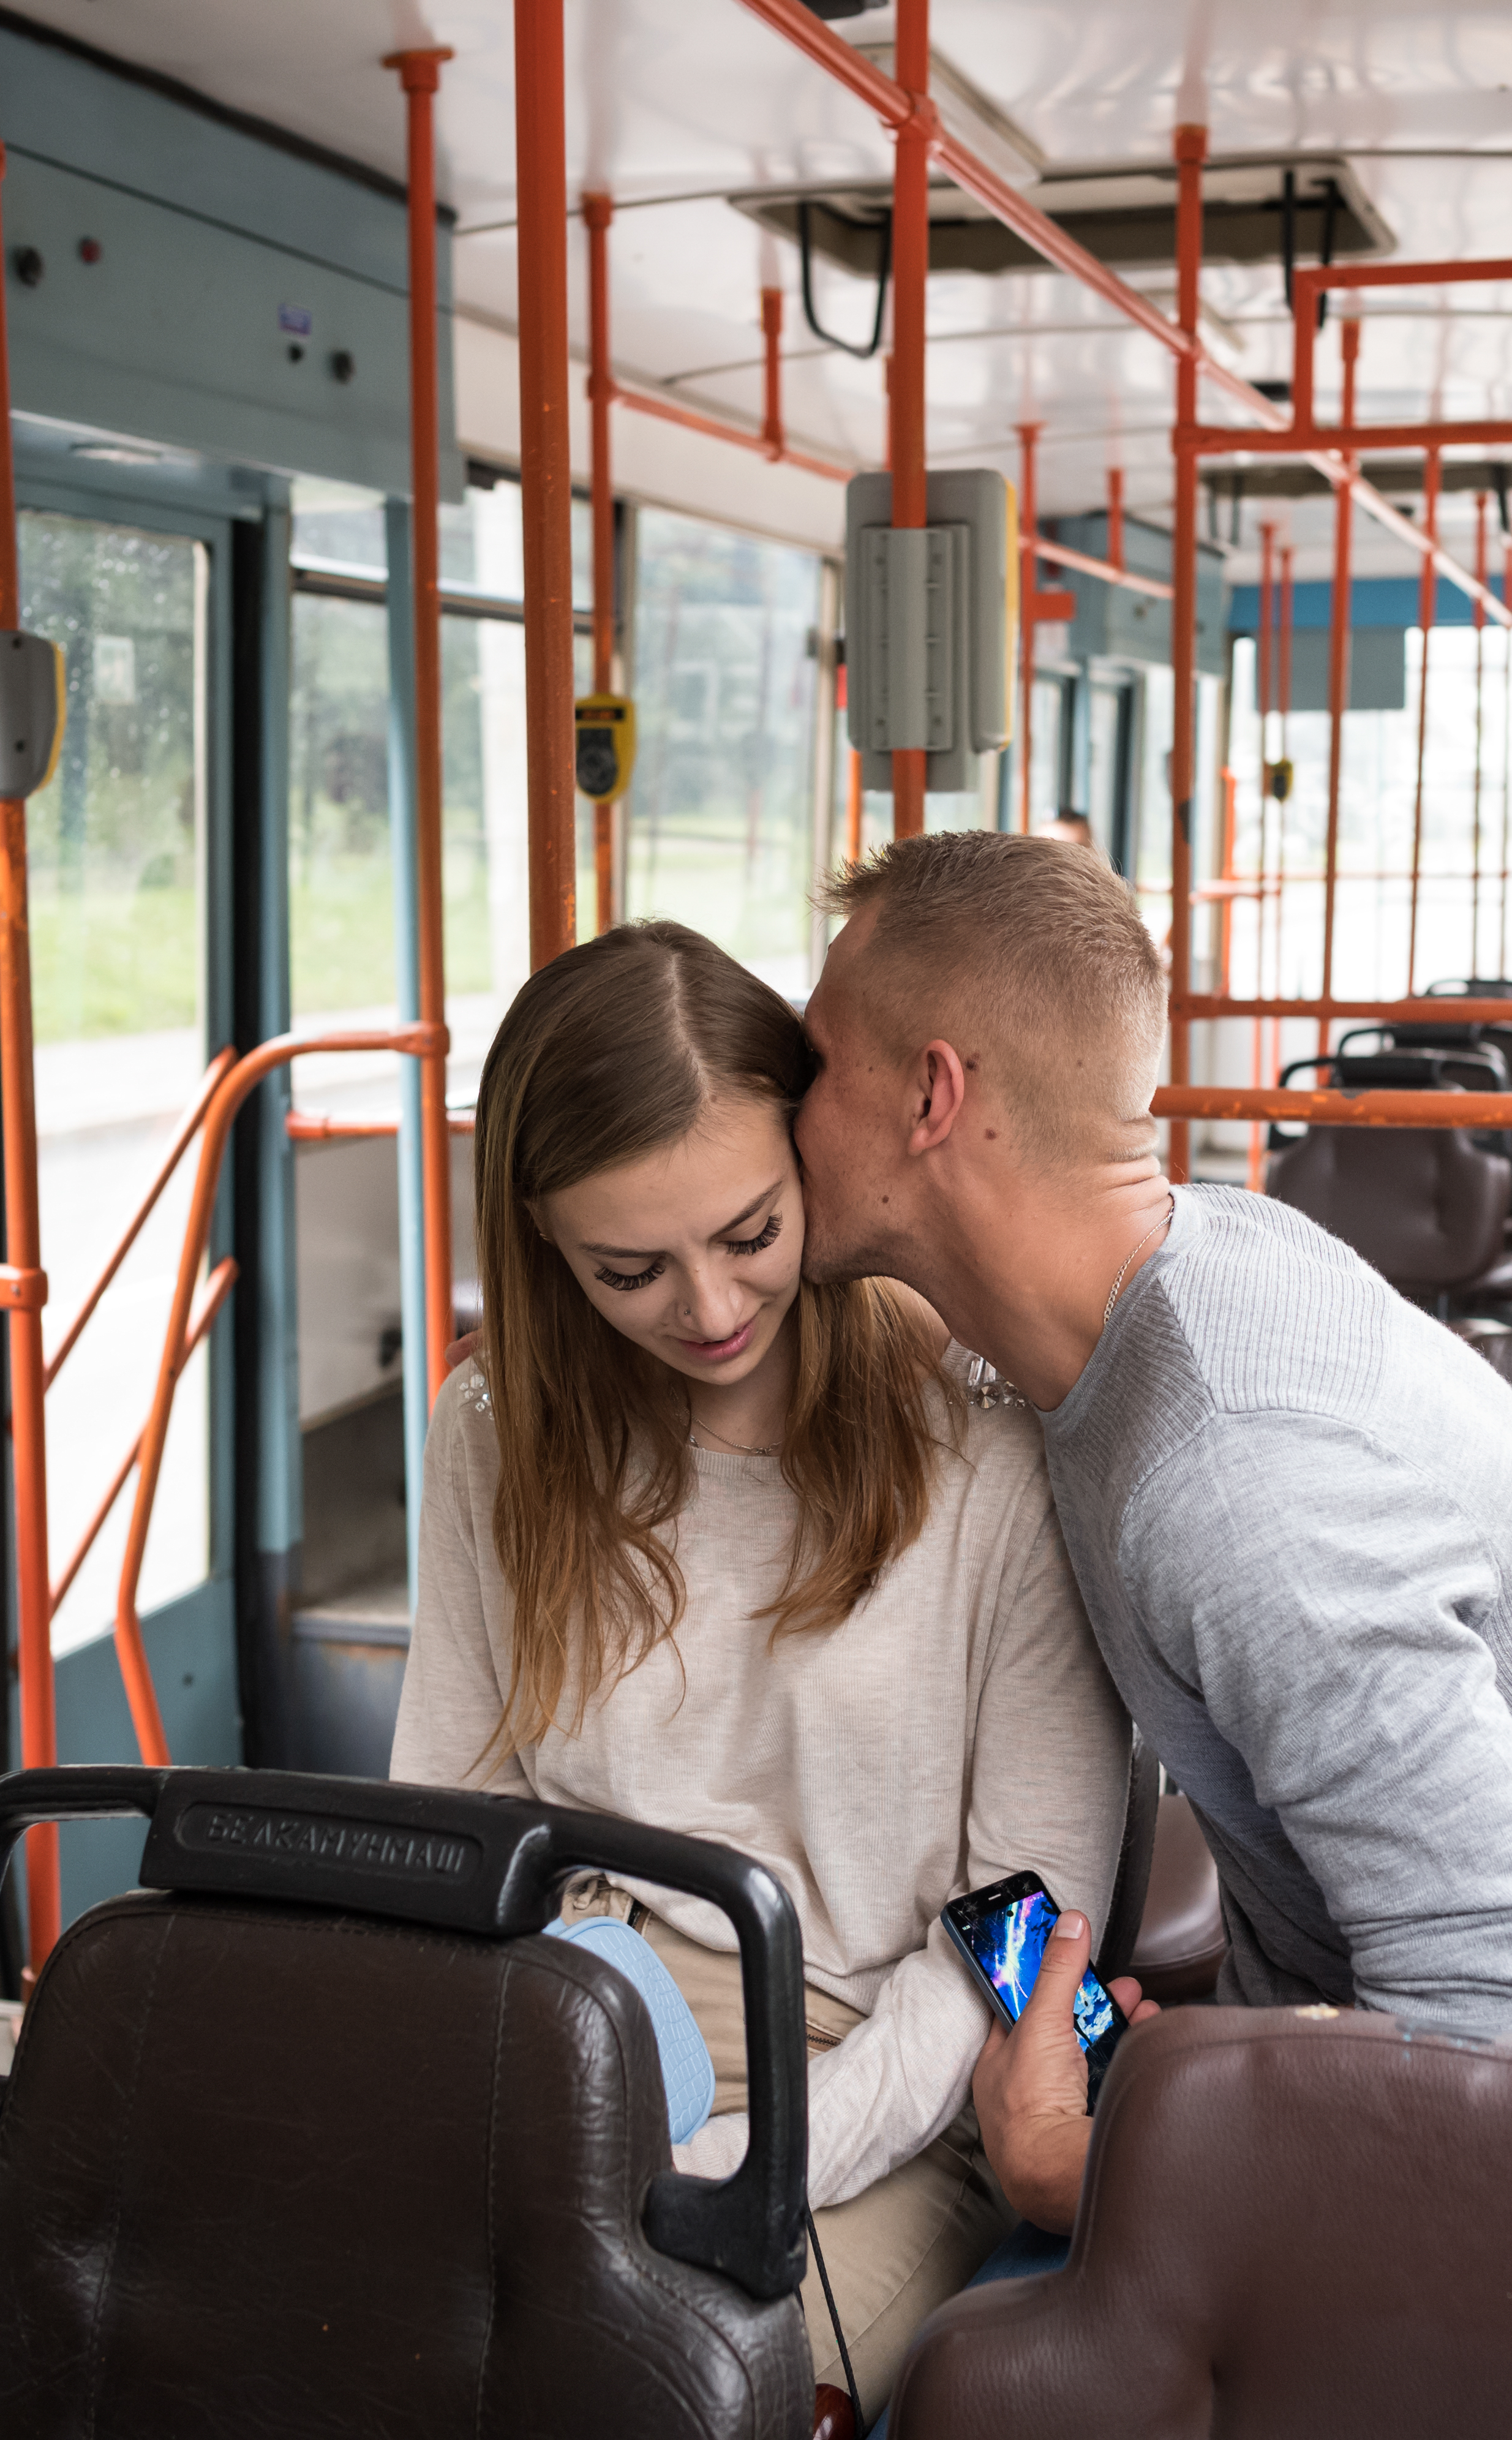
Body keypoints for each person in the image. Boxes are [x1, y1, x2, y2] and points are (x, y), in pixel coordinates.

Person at [792, 832, 1512, 2237]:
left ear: (930, 1096)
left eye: (817, 1063)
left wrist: (1082, 2172)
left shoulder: (1237, 1476)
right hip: (1379, 2055)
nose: (785, 1108)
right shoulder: (1167, 1289)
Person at [391, 919, 1129, 2418]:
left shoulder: (990, 1445)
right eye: (627, 1270)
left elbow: (1021, 1915)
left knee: (656, 2389)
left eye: (748, 1235)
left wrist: (766, 2157)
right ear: (544, 1249)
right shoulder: (496, 1438)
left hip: (885, 2064)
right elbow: (451, 1823)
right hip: (577, 2020)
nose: (711, 1312)